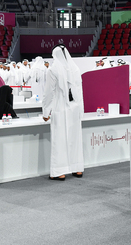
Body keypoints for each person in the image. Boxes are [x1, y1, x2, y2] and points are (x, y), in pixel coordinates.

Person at [42, 44, 84, 181]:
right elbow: (80, 92)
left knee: (59, 141)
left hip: (60, 108)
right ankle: (77, 168)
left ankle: (59, 171)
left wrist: (45, 111)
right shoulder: (75, 69)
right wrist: (81, 110)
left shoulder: (53, 70)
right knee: (75, 139)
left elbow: (49, 93)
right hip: (75, 108)